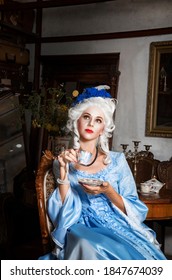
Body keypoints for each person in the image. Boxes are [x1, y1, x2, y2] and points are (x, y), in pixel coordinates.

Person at [39, 85, 166, 260]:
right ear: (77, 121)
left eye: (98, 120)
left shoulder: (117, 160)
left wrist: (109, 191)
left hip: (117, 224)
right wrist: (63, 169)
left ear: (103, 128)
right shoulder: (63, 159)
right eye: (86, 117)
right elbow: (62, 209)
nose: (91, 124)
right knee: (89, 245)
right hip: (80, 225)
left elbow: (134, 208)